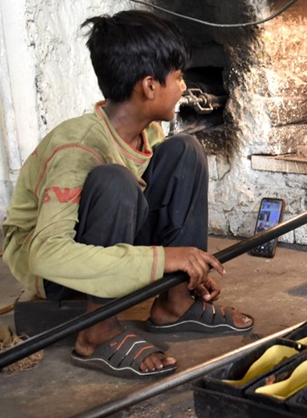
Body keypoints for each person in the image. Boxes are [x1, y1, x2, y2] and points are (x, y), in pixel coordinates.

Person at [1, 10, 253, 379]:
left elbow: (148, 206)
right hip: (54, 270)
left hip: (104, 245)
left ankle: (176, 303)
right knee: (115, 182)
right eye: (179, 78)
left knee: (186, 151)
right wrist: (163, 258)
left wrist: (185, 267)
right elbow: (46, 255)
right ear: (149, 86)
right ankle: (96, 331)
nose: (184, 87)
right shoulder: (79, 149)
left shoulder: (146, 132)